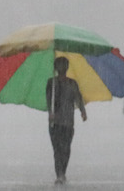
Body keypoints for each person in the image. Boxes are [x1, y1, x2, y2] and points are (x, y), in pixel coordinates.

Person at [46, 55, 87, 184]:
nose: (62, 68)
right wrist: (51, 112)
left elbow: (78, 98)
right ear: (56, 68)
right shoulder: (51, 83)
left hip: (68, 122)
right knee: (57, 149)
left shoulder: (72, 83)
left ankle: (62, 172)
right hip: (55, 122)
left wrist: (83, 111)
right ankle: (59, 174)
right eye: (60, 66)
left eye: (64, 66)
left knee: (66, 149)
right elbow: (48, 99)